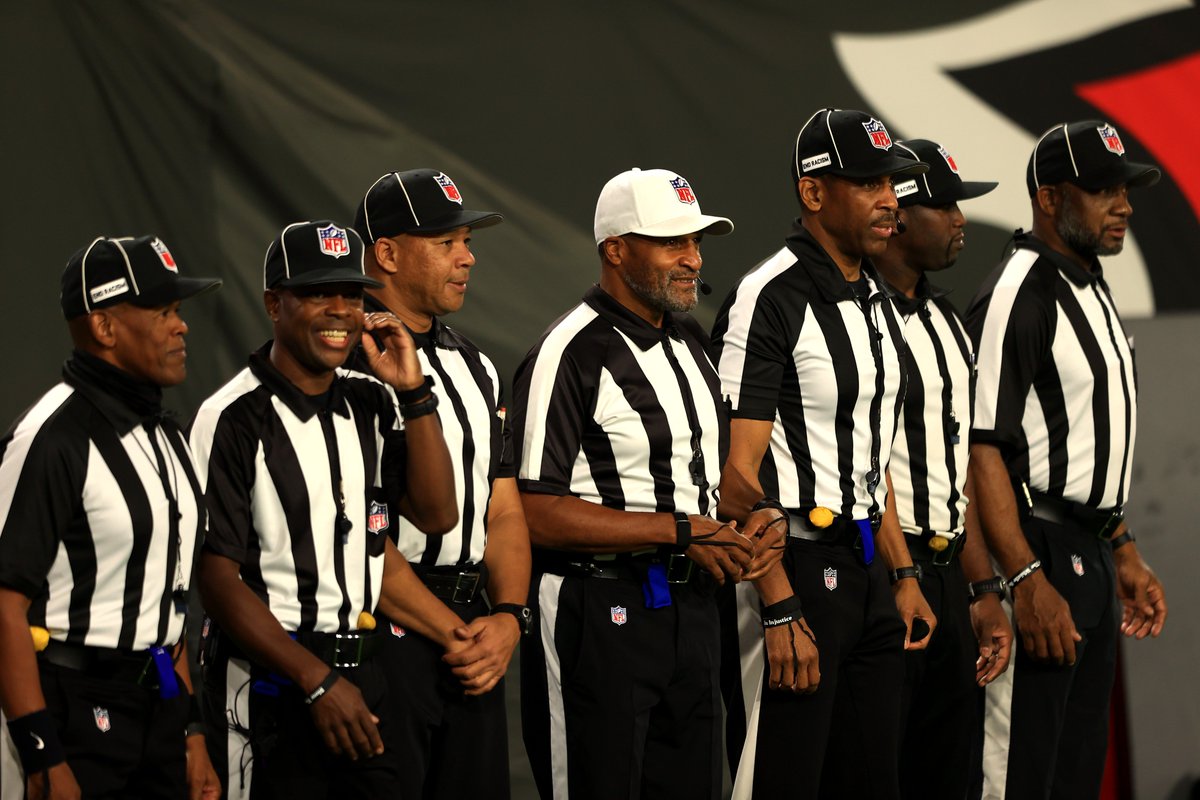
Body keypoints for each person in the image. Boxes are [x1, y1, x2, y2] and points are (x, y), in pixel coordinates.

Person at [511, 168, 780, 800]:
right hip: (597, 607)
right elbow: (533, 509)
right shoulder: (567, 352)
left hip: (691, 611)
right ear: (615, 250)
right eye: (671, 242)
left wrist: (761, 513)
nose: (693, 258)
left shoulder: (690, 340)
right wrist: (682, 532)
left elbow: (708, 471)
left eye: (696, 241)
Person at [189, 220, 460, 799]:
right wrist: (314, 681)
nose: (340, 310)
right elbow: (216, 577)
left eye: (351, 294)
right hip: (271, 683)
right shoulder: (232, 415)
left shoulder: (368, 402)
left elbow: (437, 515)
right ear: (273, 303)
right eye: (317, 293)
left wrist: (414, 393)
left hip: (364, 672)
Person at [711, 108, 932, 799]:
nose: (891, 199)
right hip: (797, 562)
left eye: (891, 183)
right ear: (813, 193)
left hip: (868, 571)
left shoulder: (874, 295)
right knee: (782, 779)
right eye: (868, 183)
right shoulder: (770, 294)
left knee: (871, 783)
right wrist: (777, 601)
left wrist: (901, 571)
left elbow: (873, 454)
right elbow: (732, 472)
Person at [967, 120, 1168, 799]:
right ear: (1049, 199)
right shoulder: (1017, 292)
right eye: (1102, 191)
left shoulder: (1091, 285)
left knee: (1074, 771)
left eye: (1124, 190)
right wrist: (1022, 578)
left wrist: (1123, 545)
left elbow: (1084, 444)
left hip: (1087, 551)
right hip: (1034, 547)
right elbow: (980, 445)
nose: (1124, 206)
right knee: (1017, 769)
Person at [0, 235, 221, 800]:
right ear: (104, 327)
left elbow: (164, 602)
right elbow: (3, 603)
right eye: (164, 311)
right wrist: (41, 750)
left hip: (160, 708)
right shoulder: (51, 439)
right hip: (73, 709)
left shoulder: (165, 435)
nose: (182, 326)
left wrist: (192, 730)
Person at [351, 169, 531, 799]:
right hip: (387, 635)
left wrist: (508, 616)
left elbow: (502, 507)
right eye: (446, 242)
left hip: (473, 630)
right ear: (388, 253)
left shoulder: (477, 365)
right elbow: (351, 531)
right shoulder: (345, 365)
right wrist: (458, 633)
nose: (467, 257)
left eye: (466, 241)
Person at [873, 138, 1013, 799]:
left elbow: (960, 472)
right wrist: (902, 573)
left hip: (950, 572)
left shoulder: (950, 323)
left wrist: (983, 590)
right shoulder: (855, 314)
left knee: (951, 774)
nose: (960, 219)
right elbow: (864, 462)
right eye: (944, 206)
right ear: (897, 214)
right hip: (883, 577)